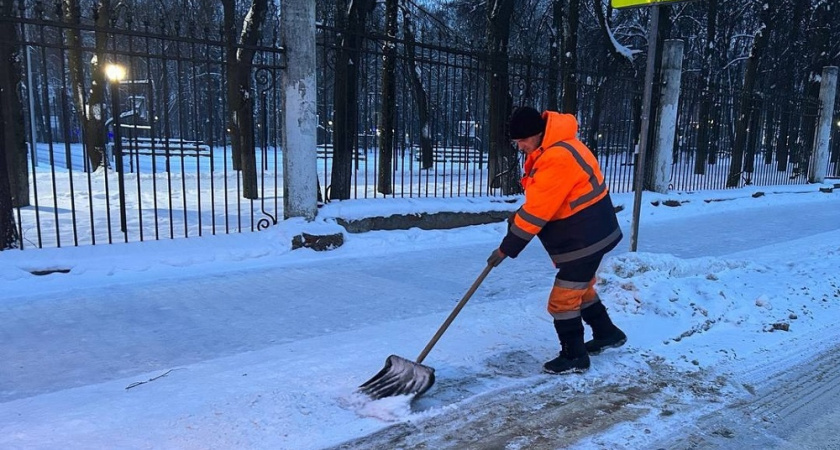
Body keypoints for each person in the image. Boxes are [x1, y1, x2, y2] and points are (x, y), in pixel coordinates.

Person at [487, 106, 627, 375]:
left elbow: (538, 211)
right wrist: (519, 219)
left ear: (538, 133)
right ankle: (607, 333)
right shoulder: (560, 146)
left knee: (562, 300)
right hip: (591, 233)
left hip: (585, 238)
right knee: (580, 289)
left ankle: (574, 356)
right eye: (516, 142)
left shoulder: (556, 157)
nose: (521, 147)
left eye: (523, 140)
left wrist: (507, 248)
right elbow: (547, 199)